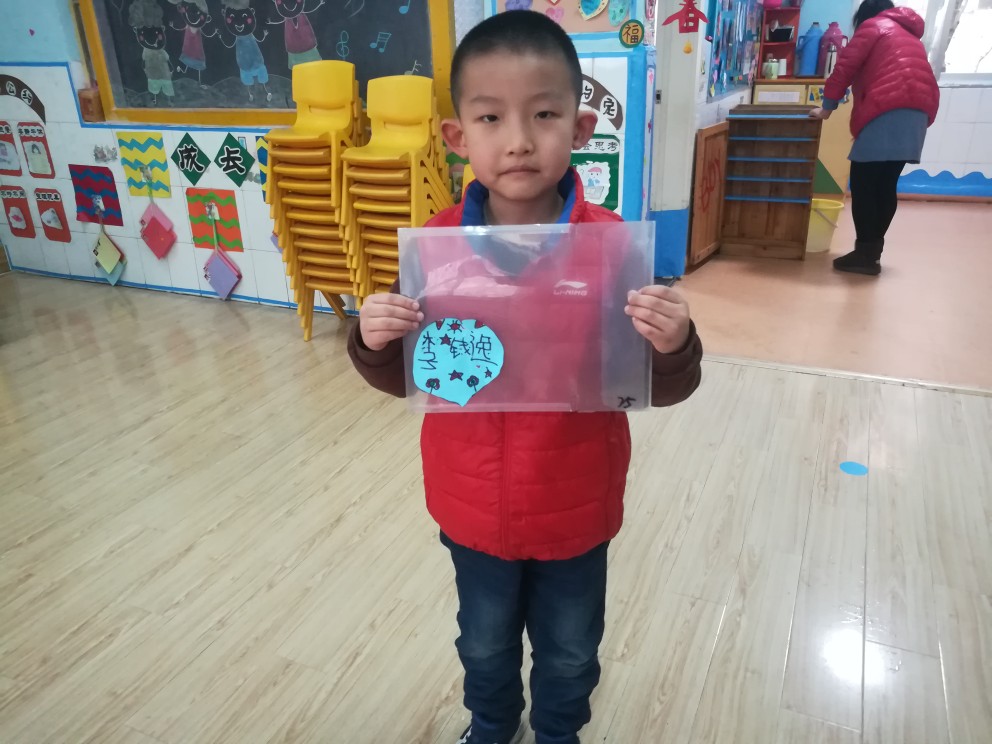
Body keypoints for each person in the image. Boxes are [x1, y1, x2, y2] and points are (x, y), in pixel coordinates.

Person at [348, 11, 703, 744]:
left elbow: (653, 384)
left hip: (575, 507)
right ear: (458, 136)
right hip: (472, 507)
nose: (517, 139)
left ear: (579, 128)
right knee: (482, 642)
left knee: (570, 650)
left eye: (543, 114)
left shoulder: (613, 250)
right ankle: (491, 724)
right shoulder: (436, 250)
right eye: (490, 117)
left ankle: (559, 732)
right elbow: (416, 375)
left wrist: (673, 346)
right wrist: (374, 339)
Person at [810, 0, 939, 276]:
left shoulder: (873, 27)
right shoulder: (909, 34)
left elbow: (844, 69)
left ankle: (865, 255)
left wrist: (826, 108)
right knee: (885, 184)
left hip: (886, 108)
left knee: (864, 183)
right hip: (917, 112)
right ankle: (871, 252)